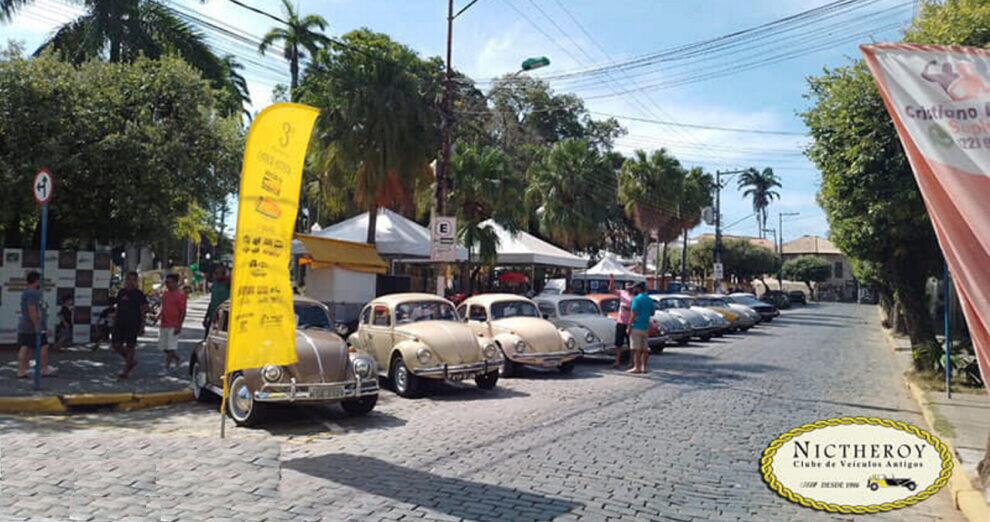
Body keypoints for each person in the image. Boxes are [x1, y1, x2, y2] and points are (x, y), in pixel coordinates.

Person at [16, 271, 57, 378]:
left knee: (25, 346)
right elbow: (32, 310)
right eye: (40, 280)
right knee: (43, 346)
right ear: (37, 280)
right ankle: (44, 369)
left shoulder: (27, 291)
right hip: (31, 325)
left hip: (27, 324)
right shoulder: (33, 292)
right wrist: (37, 325)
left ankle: (22, 370)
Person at [112, 271, 148, 379]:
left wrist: (142, 326)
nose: (131, 282)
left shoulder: (139, 294)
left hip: (133, 323)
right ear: (125, 280)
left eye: (133, 280)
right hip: (120, 322)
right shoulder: (121, 292)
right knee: (116, 345)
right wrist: (114, 319)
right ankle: (131, 361)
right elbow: (118, 307)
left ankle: (126, 371)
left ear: (136, 281)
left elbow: (143, 311)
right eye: (129, 279)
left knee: (130, 346)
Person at [158, 273, 187, 370]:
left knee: (170, 347)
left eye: (170, 282)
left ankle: (167, 365)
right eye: (166, 282)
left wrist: (179, 325)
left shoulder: (180, 295)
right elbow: (163, 307)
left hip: (174, 324)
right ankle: (176, 357)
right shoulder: (165, 294)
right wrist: (158, 316)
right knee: (164, 347)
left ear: (176, 283)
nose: (168, 284)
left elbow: (183, 311)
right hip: (164, 323)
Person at [627, 282, 656, 374]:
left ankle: (637, 367)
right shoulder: (649, 299)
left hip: (636, 326)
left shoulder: (636, 299)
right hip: (645, 326)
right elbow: (652, 313)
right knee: (645, 349)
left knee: (636, 349)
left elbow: (633, 313)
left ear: (639, 289)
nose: (634, 289)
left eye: (635, 288)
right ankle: (644, 367)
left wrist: (629, 325)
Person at [611, 281, 634, 369]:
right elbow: (611, 290)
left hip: (630, 322)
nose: (628, 287)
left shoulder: (635, 296)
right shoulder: (622, 293)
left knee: (631, 343)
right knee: (618, 343)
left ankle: (631, 362)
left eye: (630, 285)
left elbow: (635, 308)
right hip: (621, 321)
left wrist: (628, 308)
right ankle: (617, 361)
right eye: (627, 285)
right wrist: (611, 280)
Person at [204, 266, 230, 338]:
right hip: (213, 315)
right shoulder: (215, 284)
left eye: (217, 273)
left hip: (224, 316)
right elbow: (212, 301)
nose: (214, 275)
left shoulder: (228, 285)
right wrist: (206, 316)